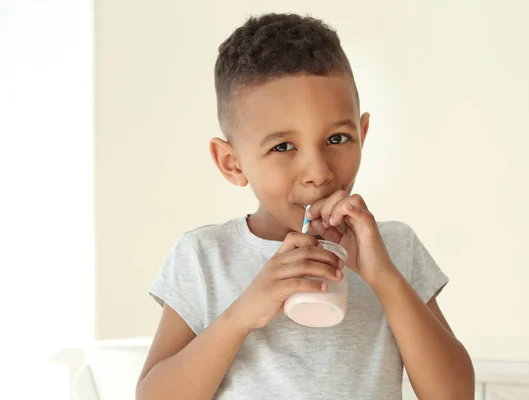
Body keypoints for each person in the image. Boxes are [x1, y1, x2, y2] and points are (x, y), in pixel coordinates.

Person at [136, 13, 474, 400]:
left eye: (337, 138)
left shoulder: (394, 248)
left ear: (362, 135)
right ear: (232, 162)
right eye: (282, 146)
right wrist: (243, 312)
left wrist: (385, 278)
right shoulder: (204, 258)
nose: (317, 172)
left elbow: (455, 394)